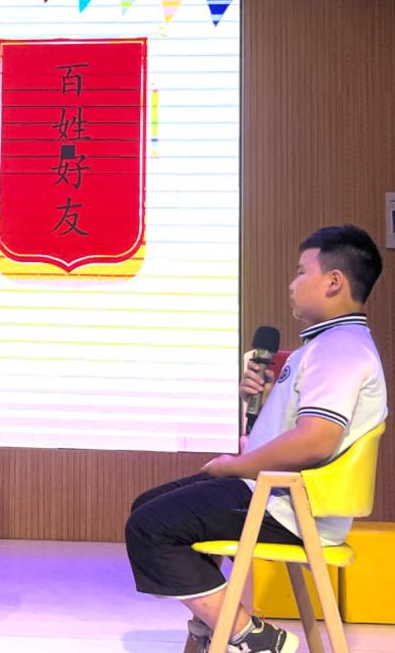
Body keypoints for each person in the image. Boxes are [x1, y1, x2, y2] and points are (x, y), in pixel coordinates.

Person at [125, 224, 387, 653]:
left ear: (334, 282)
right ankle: (216, 625)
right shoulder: (327, 345)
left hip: (290, 508)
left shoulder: (340, 348)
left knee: (150, 526)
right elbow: (298, 431)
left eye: (301, 272)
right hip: (277, 496)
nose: (292, 284)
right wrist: (261, 399)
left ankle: (251, 636)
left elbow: (317, 440)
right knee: (149, 508)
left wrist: (234, 466)